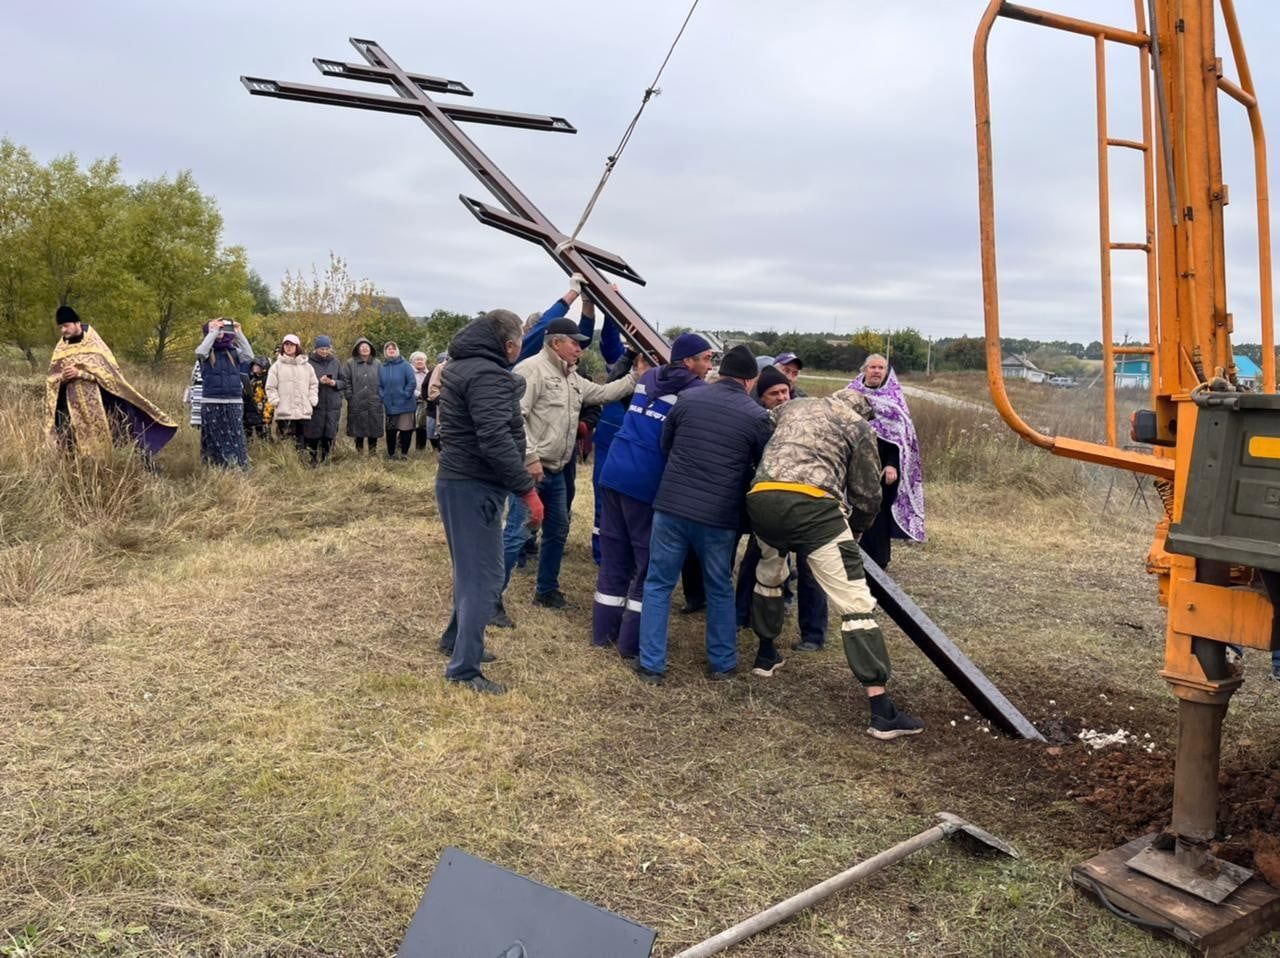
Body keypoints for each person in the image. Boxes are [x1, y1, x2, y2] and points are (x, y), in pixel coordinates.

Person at [746, 388, 924, 740]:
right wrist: (856, 531)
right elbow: (867, 492)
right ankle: (881, 710)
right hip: (813, 508)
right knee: (855, 602)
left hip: (761, 498)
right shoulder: (858, 425)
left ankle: (766, 655)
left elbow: (761, 426)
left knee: (769, 575)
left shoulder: (794, 405)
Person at [635, 345, 771, 684]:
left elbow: (667, 446)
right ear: (749, 380)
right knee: (720, 588)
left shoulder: (688, 400)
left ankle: (652, 664)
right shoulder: (756, 417)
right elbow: (762, 467)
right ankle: (722, 664)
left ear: (721, 373)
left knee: (658, 584)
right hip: (719, 515)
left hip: (671, 507)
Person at [436, 310, 544, 695]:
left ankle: (455, 639)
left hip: (461, 481)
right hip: (473, 485)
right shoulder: (487, 375)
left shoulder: (467, 367)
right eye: (517, 344)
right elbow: (495, 438)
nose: (518, 350)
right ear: (509, 344)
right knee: (485, 576)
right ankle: (464, 668)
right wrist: (526, 490)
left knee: (470, 570)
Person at [592, 333, 713, 658]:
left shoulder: (648, 377)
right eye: (706, 358)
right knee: (648, 563)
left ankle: (603, 632)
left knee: (615, 555)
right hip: (646, 479)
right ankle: (631, 642)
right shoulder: (696, 392)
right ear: (688, 361)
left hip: (615, 471)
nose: (710, 365)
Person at [503, 316, 636, 609]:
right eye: (575, 343)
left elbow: (602, 393)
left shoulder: (572, 377)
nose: (580, 349)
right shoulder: (531, 370)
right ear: (556, 343)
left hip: (558, 470)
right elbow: (515, 418)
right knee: (517, 533)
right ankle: (489, 597)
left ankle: (546, 589)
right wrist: (530, 457)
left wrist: (635, 376)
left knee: (557, 530)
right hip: (533, 471)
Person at [733, 364, 830, 660]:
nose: (781, 397)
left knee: (811, 568)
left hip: (808, 499)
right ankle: (742, 615)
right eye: (773, 393)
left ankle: (813, 634)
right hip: (771, 501)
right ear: (762, 397)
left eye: (784, 391)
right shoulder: (759, 421)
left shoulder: (806, 416)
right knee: (756, 560)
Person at [45, 305, 177, 459]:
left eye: (66, 326)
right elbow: (52, 378)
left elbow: (110, 376)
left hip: (101, 403)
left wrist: (81, 373)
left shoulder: (95, 344)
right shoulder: (61, 348)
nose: (63, 330)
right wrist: (63, 378)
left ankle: (111, 468)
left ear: (77, 323)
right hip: (70, 406)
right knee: (71, 441)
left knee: (113, 437)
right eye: (60, 327)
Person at [846, 353, 925, 568]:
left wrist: (891, 464)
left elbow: (900, 439)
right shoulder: (850, 394)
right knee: (849, 510)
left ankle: (878, 561)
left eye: (881, 368)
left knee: (876, 514)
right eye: (873, 367)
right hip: (851, 466)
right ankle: (850, 558)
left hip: (881, 469)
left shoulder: (893, 400)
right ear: (864, 369)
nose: (877, 371)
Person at [195, 318, 254, 468]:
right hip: (211, 401)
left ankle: (239, 468)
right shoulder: (207, 350)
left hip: (233, 401)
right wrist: (213, 333)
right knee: (213, 438)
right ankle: (215, 469)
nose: (220, 329)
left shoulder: (233, 351)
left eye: (222, 327)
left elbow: (249, 356)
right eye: (214, 327)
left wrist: (239, 333)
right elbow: (200, 352)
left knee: (236, 437)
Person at [266, 333, 318, 448]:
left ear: (297, 347)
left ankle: (303, 464)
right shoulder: (276, 366)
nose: (288, 347)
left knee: (304, 442)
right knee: (286, 442)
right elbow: (270, 387)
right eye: (286, 344)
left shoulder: (307, 366)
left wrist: (312, 399)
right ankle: (289, 464)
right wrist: (275, 401)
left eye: (292, 345)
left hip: (303, 411)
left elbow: (314, 384)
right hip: (285, 412)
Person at [303, 335, 344, 465]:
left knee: (329, 433)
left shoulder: (335, 362)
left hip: (332, 405)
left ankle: (326, 459)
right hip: (316, 404)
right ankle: (313, 459)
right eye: (321, 348)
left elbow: (344, 382)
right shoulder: (308, 363)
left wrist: (334, 383)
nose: (324, 351)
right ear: (316, 349)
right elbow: (304, 383)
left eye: (327, 348)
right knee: (314, 433)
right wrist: (319, 382)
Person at [343, 337, 384, 454]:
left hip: (374, 401)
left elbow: (383, 381)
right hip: (357, 401)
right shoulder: (350, 363)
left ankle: (372, 452)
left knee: (374, 427)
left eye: (367, 347)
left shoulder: (378, 363)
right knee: (358, 428)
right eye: (362, 347)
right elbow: (346, 380)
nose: (365, 349)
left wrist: (380, 396)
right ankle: (359, 452)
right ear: (357, 349)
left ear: (371, 349)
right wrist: (350, 396)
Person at [379, 341, 417, 460]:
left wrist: (405, 395)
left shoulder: (405, 365)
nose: (391, 350)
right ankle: (391, 454)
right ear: (385, 352)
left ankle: (404, 454)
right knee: (390, 431)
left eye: (393, 349)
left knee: (406, 430)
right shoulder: (382, 367)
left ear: (397, 351)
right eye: (388, 349)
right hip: (389, 405)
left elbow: (412, 382)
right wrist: (383, 396)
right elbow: (379, 385)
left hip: (406, 404)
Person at [242, 357, 272, 440]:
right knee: (248, 433)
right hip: (249, 409)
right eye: (254, 365)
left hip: (262, 410)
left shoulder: (266, 379)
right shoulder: (252, 379)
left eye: (258, 365)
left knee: (263, 435)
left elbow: (268, 395)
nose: (255, 367)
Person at [424, 351, 448, 451]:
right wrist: (439, 400)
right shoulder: (441, 367)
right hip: (445, 406)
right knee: (441, 430)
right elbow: (431, 388)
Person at [410, 351, 432, 451]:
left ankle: (420, 449)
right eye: (417, 360)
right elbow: (407, 385)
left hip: (425, 402)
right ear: (412, 362)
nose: (419, 361)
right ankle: (400, 446)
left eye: (421, 359)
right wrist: (418, 394)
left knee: (422, 425)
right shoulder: (409, 372)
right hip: (411, 402)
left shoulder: (429, 373)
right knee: (407, 425)